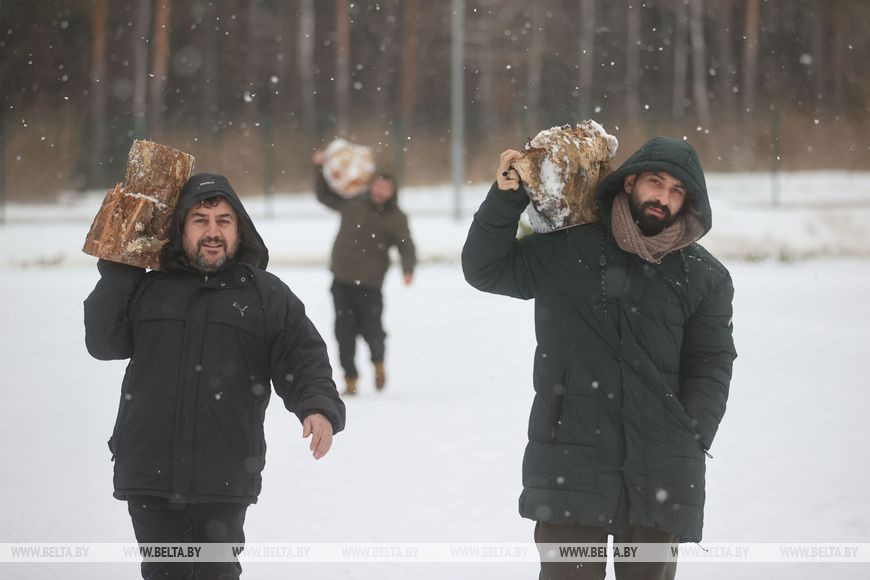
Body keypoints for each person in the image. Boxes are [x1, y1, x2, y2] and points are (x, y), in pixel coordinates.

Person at [462, 137, 737, 579]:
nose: (663, 198)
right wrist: (506, 197)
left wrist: (692, 433)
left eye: (676, 191)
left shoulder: (704, 277)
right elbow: (484, 268)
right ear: (630, 183)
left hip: (660, 464)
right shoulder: (569, 249)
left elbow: (712, 362)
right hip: (572, 457)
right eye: (655, 183)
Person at [84, 173, 346, 580]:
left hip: (223, 469)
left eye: (224, 220)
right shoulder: (147, 288)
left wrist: (317, 406)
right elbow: (103, 343)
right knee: (165, 573)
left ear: (239, 228)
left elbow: (304, 356)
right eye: (200, 219)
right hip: (149, 469)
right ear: (180, 228)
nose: (212, 231)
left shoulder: (265, 295)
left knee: (214, 571)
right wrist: (120, 267)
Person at [312, 150, 417, 395]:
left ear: (393, 192)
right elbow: (324, 196)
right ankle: (350, 379)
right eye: (377, 186)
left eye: (386, 188)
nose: (380, 192)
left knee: (373, 332)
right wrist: (318, 169)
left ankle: (378, 364)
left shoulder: (396, 218)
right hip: (342, 281)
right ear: (371, 185)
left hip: (370, 285)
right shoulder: (352, 203)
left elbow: (406, 245)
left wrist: (408, 269)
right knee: (343, 334)